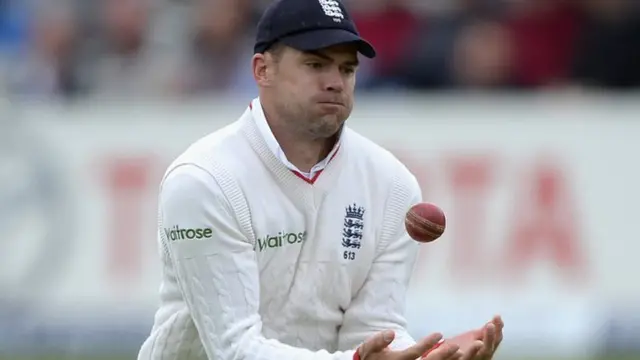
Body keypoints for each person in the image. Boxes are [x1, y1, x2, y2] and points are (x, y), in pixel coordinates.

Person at [137, 0, 504, 359]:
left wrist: (421, 357)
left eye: (347, 69)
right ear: (262, 70)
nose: (335, 82)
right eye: (316, 64)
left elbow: (372, 330)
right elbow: (234, 350)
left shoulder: (393, 185)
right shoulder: (204, 181)